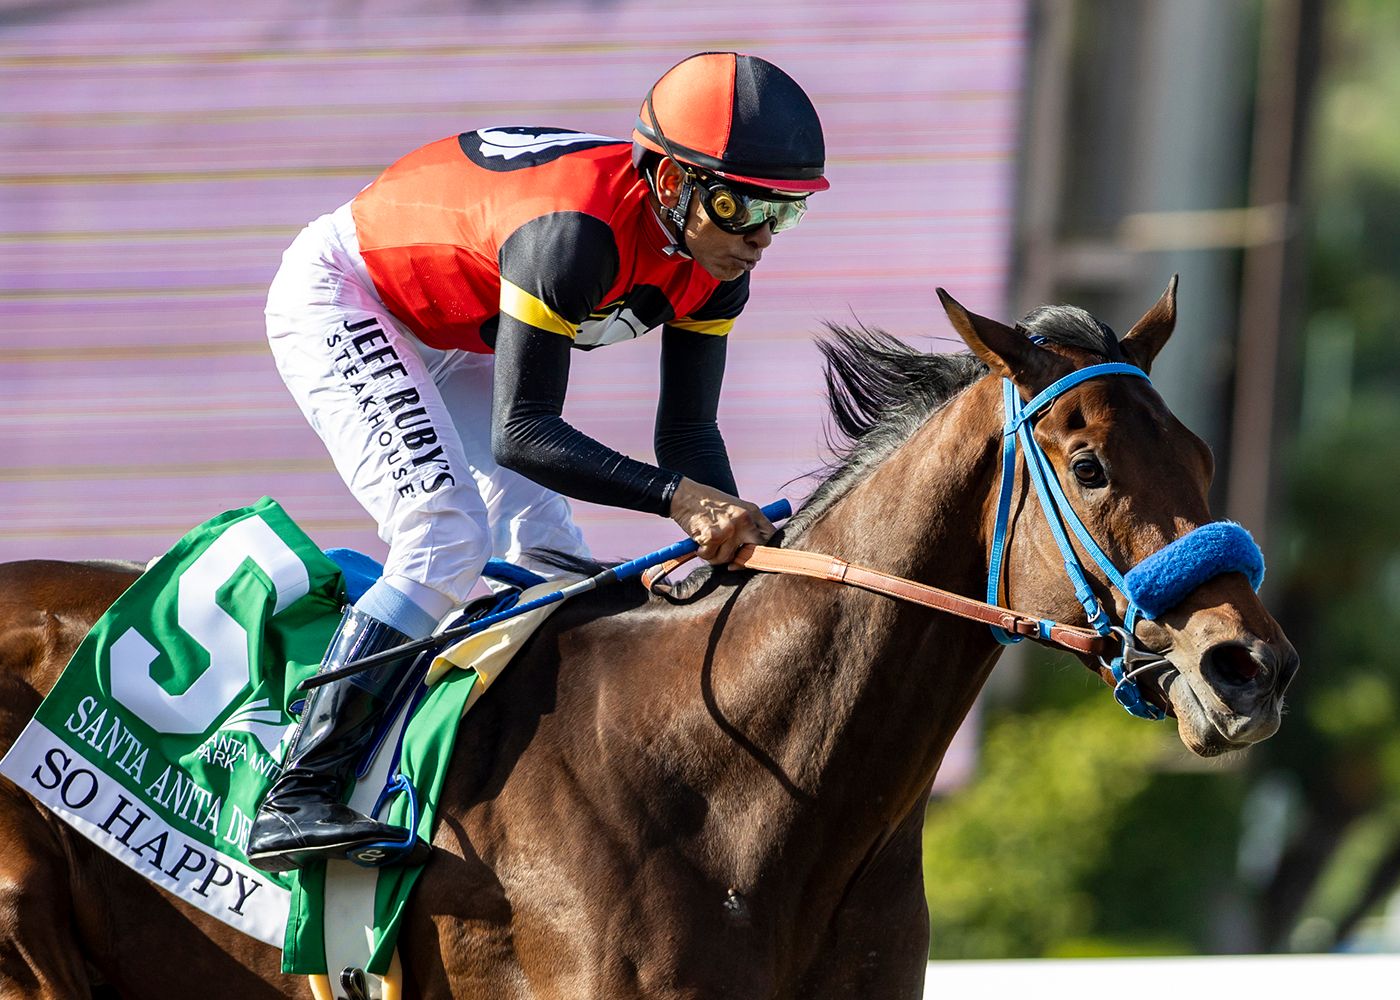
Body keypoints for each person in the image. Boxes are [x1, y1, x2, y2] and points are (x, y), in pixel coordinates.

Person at [247, 51, 828, 873]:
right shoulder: (574, 236)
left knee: (548, 558)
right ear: (669, 182)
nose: (760, 241)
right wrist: (679, 503)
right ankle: (296, 792)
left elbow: (689, 439)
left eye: (785, 215)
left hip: (454, 320)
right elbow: (524, 433)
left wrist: (738, 547)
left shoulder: (717, 268)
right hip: (350, 295)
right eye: (740, 208)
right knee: (447, 536)